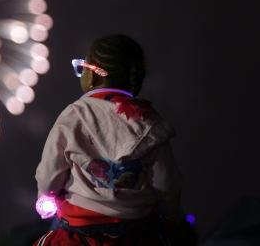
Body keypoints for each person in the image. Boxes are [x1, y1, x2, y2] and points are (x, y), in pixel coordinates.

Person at [33, 35, 193, 246]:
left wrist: (45, 195)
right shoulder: (150, 122)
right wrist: (174, 218)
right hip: (137, 232)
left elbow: (50, 172)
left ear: (93, 75)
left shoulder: (74, 116)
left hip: (79, 232)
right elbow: (166, 183)